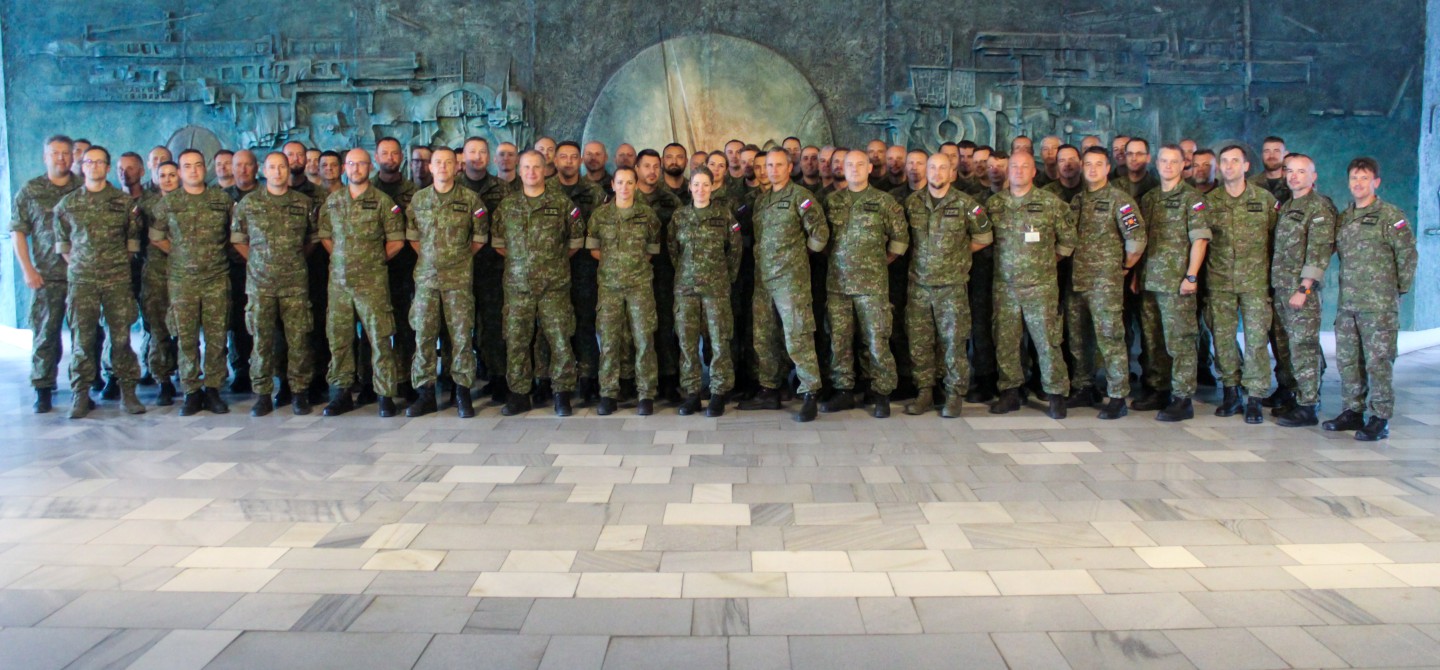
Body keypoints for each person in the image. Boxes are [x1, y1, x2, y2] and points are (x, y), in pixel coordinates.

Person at [1323, 157, 1417, 441]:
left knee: (1378, 362)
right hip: (1348, 304)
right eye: (1354, 178)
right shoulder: (1345, 217)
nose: (1358, 183)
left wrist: (1397, 291)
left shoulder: (1390, 216)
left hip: (1379, 306)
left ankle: (1380, 417)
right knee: (1348, 360)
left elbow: (1407, 256)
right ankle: (1353, 410)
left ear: (1376, 182)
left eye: (1364, 178)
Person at [53, 145, 147, 418]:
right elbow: (64, 247)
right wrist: (84, 266)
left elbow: (132, 245)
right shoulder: (68, 205)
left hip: (117, 280)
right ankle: (80, 395)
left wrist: (111, 266)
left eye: (99, 162)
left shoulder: (125, 204)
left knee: (121, 338)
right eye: (88, 162)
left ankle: (128, 392)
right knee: (82, 340)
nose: (93, 166)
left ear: (107, 167)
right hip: (82, 282)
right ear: (82, 167)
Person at [737, 150, 829, 421]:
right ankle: (769, 389)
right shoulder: (762, 201)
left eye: (779, 165)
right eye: (769, 165)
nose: (773, 170)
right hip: (763, 281)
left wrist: (799, 257)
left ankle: (810, 391)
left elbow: (820, 233)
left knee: (797, 335)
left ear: (789, 167)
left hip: (791, 281)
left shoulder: (801, 197)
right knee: (764, 337)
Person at [492, 151, 584, 417]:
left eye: (536, 167)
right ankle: (519, 394)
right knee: (516, 341)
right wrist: (524, 262)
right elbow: (499, 243)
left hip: (554, 287)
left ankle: (561, 393)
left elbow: (574, 242)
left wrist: (550, 262)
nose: (531, 172)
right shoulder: (507, 206)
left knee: (560, 339)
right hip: (517, 287)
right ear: (519, 170)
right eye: (526, 167)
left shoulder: (562, 204)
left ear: (545, 170)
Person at [317, 148, 406, 417]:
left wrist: (371, 260)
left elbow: (396, 241)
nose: (356, 169)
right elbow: (325, 236)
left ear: (370, 167)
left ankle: (384, 394)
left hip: (372, 282)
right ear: (345, 168)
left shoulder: (383, 202)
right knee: (340, 338)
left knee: (380, 339)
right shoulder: (333, 202)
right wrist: (344, 259)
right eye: (351, 164)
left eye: (361, 164)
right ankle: (341, 393)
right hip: (339, 284)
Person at [986, 152, 1075, 419]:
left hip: (1040, 286)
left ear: (1034, 172)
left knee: (1047, 341)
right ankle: (1010, 391)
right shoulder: (994, 204)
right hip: (1005, 287)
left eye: (1025, 166)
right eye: (1014, 166)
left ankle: (1056, 394)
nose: (1019, 170)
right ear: (1007, 170)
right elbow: (984, 240)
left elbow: (1068, 241)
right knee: (1006, 340)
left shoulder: (1051, 203)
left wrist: (1045, 261)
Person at [820, 150, 909, 418]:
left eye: (860, 164)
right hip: (838, 284)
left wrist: (880, 261)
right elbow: (823, 239)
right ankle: (843, 390)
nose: (855, 169)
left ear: (870, 168)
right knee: (840, 340)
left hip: (872, 285)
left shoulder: (884, 201)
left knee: (876, 339)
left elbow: (900, 239)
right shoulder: (832, 201)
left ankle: (881, 392)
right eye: (850, 165)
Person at [903, 153, 991, 417]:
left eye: (943, 168)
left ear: (952, 173)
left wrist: (958, 255)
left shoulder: (967, 204)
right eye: (932, 167)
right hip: (919, 286)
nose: (937, 172)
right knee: (920, 342)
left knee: (953, 343)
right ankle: (925, 392)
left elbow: (984, 237)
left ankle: (954, 394)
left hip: (951, 286)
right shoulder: (912, 203)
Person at [403, 147, 487, 418]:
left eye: (448, 163)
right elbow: (413, 237)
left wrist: (456, 259)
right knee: (424, 335)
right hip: (427, 280)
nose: (442, 167)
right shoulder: (419, 200)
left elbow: (479, 239)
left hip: (458, 280)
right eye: (437, 162)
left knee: (461, 337)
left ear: (456, 167)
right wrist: (433, 258)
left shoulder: (470, 200)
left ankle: (462, 392)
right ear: (430, 167)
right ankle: (425, 393)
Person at [231, 152, 317, 416]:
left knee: (298, 340)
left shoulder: (303, 203)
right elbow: (238, 239)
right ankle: (263, 394)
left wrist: (293, 259)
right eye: (272, 167)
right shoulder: (249, 203)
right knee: (262, 341)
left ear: (288, 170)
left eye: (282, 167)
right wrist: (259, 261)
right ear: (264, 171)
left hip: (295, 284)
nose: (278, 172)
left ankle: (299, 392)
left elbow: (312, 239)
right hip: (260, 285)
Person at [150, 149, 235, 416]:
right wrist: (180, 254)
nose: (194, 170)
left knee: (216, 337)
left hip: (216, 278)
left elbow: (234, 234)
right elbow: (156, 237)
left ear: (205, 168)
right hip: (182, 280)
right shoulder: (168, 203)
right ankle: (191, 390)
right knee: (186, 338)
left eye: (198, 165)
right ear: (180, 171)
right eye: (187, 166)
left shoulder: (222, 200)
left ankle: (213, 389)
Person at [1065, 147, 1145, 419]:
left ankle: (1117, 395)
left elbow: (1136, 239)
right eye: (1088, 164)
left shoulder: (1119, 200)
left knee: (1110, 339)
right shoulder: (1077, 200)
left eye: (1098, 164)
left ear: (1108, 168)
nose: (1092, 169)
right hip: (1077, 281)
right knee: (1078, 339)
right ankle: (1084, 387)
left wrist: (1125, 267)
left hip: (1104, 283)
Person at [1135, 144, 1211, 422]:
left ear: (1182, 165)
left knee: (1180, 342)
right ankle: (1159, 389)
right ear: (1156, 164)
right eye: (1163, 161)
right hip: (1150, 282)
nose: (1168, 166)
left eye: (1173, 161)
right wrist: (1137, 275)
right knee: (1153, 340)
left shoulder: (1192, 198)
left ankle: (1182, 397)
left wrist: (1191, 276)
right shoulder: (1149, 198)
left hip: (1177, 283)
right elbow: (1141, 241)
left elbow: (1200, 239)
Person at [1204, 145, 1278, 423]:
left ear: (1246, 166)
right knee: (1223, 339)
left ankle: (1255, 397)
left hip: (1255, 282)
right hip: (1219, 281)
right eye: (1224, 161)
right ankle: (1231, 393)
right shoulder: (1209, 202)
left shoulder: (1265, 200)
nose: (1229, 166)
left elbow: (1277, 239)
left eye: (1235, 161)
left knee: (1256, 340)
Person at [11, 135, 81, 413]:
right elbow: (18, 232)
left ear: (73, 157)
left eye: (66, 153)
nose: (61, 158)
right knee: (46, 334)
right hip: (46, 276)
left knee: (85, 336)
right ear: (45, 157)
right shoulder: (31, 191)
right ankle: (43, 387)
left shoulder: (83, 188)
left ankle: (83, 387)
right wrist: (28, 269)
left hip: (81, 276)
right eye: (55, 153)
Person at [1268, 153, 1337, 427]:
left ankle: (1309, 405)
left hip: (1300, 291)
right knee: (1287, 347)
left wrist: (1304, 288)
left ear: (1313, 176)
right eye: (1290, 171)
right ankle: (1297, 397)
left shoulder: (1318, 207)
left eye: (1301, 171)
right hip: (1281, 287)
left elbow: (1319, 252)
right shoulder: (1288, 206)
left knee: (1304, 347)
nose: (1294, 176)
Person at [587, 167, 662, 416]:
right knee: (609, 341)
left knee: (644, 340)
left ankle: (645, 394)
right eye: (620, 182)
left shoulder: (647, 216)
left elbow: (651, 250)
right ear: (613, 185)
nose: (625, 187)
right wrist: (615, 265)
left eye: (630, 182)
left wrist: (633, 265)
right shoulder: (600, 216)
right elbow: (594, 250)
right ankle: (608, 393)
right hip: (609, 286)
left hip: (640, 285)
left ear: (636, 185)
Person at [669, 167, 742, 416]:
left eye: (705, 185)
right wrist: (686, 273)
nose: (701, 189)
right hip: (686, 289)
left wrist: (725, 277)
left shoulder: (724, 215)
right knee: (687, 342)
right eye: (696, 184)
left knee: (719, 340)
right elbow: (673, 250)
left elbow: (735, 250)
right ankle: (691, 393)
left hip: (716, 289)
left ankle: (718, 392)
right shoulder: (679, 216)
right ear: (690, 187)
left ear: (712, 187)